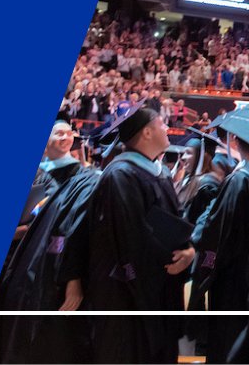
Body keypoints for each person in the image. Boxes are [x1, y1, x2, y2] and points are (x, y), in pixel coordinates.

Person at [0, 121, 99, 364]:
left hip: (25, 261)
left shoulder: (58, 179)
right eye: (57, 133)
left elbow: (52, 223)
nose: (64, 137)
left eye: (67, 132)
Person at [84, 108, 196, 364]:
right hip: (129, 296)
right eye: (162, 124)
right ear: (147, 132)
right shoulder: (120, 175)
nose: (167, 129)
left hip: (159, 289)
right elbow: (131, 238)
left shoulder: (160, 173)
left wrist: (189, 250)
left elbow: (175, 222)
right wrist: (171, 260)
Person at [188, 103, 249, 363]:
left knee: (230, 347)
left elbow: (217, 234)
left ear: (236, 142)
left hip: (235, 282)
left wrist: (200, 263)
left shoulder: (239, 180)